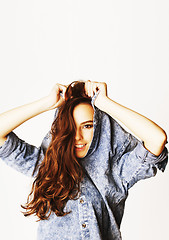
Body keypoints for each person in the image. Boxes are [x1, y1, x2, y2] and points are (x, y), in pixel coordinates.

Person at [0, 80, 168, 240]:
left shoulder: (117, 172)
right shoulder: (45, 165)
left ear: (99, 127)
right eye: (70, 127)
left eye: (87, 126)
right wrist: (47, 103)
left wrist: (104, 103)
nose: (78, 137)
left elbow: (157, 139)